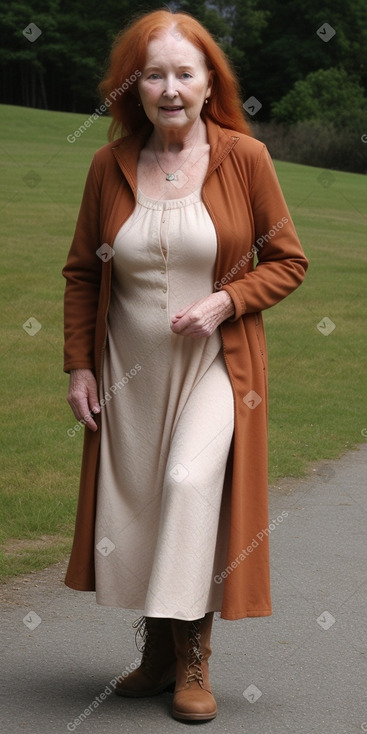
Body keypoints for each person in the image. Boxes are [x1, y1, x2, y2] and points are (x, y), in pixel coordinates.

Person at [62, 8, 308, 723]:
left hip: (215, 368)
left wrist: (226, 301)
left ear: (208, 84)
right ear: (132, 87)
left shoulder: (245, 158)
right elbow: (82, 272)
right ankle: (159, 654)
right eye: (152, 74)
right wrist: (79, 366)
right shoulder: (108, 165)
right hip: (126, 370)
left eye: (183, 73)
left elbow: (288, 260)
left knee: (188, 483)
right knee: (141, 509)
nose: (169, 88)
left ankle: (195, 656)